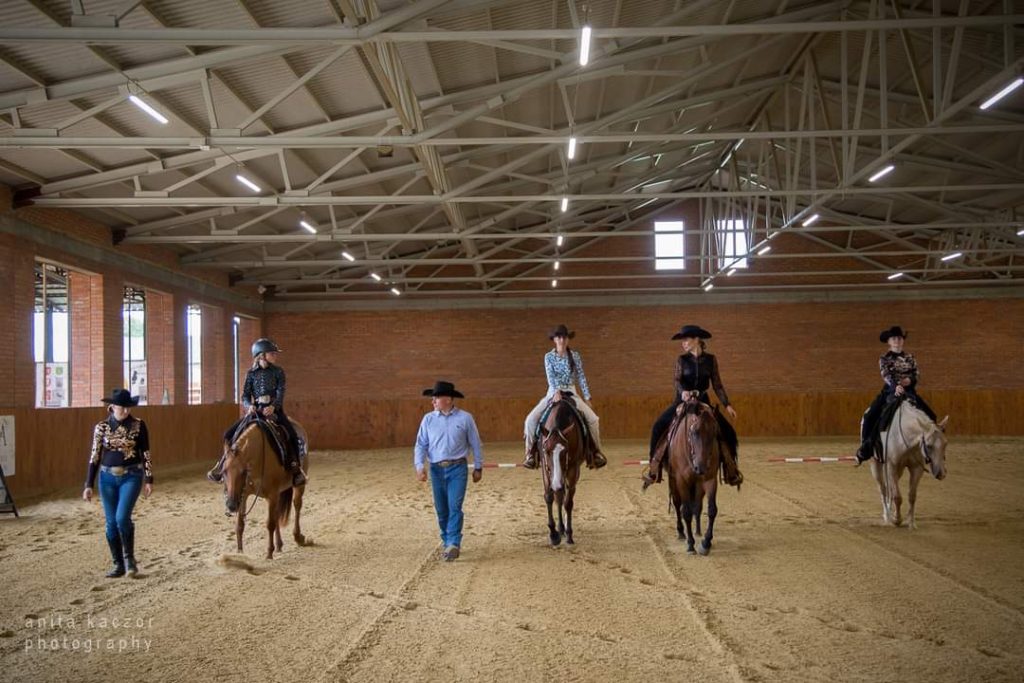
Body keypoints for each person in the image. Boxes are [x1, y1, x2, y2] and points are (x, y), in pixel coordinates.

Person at [642, 325, 743, 489]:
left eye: (686, 339)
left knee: (728, 431)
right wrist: (683, 393)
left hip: (703, 400)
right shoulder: (682, 360)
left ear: (697, 340)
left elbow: (717, 384)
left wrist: (727, 404)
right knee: (658, 426)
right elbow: (677, 380)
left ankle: (731, 471)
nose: (683, 343)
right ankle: (654, 469)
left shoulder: (711, 360)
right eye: (682, 340)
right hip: (681, 402)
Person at [208, 338, 306, 486]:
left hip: (274, 410)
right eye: (272, 353)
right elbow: (245, 395)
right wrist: (249, 405)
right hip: (256, 411)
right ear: (261, 355)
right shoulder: (251, 374)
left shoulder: (278, 372)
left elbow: (281, 391)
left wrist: (274, 406)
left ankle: (295, 468)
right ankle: (221, 465)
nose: (275, 356)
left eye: (274, 353)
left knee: (291, 433)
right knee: (228, 434)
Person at [82, 389, 153, 578]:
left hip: (132, 475)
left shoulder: (138, 425)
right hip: (106, 478)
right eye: (123, 407)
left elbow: (145, 453)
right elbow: (94, 456)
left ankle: (129, 559)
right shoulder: (101, 427)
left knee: (122, 518)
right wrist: (89, 483)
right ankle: (118, 563)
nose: (126, 411)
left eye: (128, 407)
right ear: (112, 407)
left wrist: (149, 478)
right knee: (111, 523)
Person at [414, 381, 484, 562]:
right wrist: (419, 466)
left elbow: (475, 443)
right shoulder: (428, 419)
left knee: (454, 505)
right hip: (436, 469)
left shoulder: (465, 418)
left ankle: (454, 542)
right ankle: (446, 540)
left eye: (436, 398)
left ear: (447, 399)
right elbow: (421, 444)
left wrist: (478, 466)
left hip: (458, 468)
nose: (433, 401)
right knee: (441, 508)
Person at [522, 324, 607, 470]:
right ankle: (530, 454)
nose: (562, 340)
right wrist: (555, 392)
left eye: (564, 337)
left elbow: (581, 377)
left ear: (567, 339)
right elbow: (550, 377)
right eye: (559, 337)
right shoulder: (548, 357)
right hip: (552, 393)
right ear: (554, 340)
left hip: (571, 392)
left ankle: (596, 452)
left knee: (593, 420)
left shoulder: (575, 356)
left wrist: (587, 397)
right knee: (530, 420)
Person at [855, 326, 938, 464]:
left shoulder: (910, 358)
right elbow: (885, 375)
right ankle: (865, 449)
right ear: (889, 342)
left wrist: (909, 380)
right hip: (889, 391)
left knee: (932, 416)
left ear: (902, 341)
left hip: (909, 391)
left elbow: (916, 373)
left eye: (899, 338)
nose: (897, 340)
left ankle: (930, 450)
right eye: (894, 338)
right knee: (870, 417)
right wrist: (896, 386)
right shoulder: (884, 359)